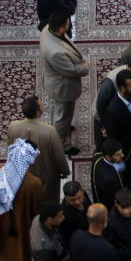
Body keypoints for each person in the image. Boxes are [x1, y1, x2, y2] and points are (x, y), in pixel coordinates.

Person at [40, 9, 88, 156]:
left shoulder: (48, 29)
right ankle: (63, 145)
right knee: (62, 117)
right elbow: (71, 70)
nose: (69, 25)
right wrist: (84, 67)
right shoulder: (55, 52)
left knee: (58, 111)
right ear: (61, 27)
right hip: (62, 87)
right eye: (68, 23)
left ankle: (58, 130)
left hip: (55, 83)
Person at [8, 95, 70, 202]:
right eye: (41, 106)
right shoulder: (49, 131)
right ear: (37, 113)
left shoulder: (13, 126)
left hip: (23, 174)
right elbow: (58, 155)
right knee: (47, 200)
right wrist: (65, 171)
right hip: (46, 175)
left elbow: (10, 146)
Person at [102, 70, 131, 194]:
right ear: (122, 88)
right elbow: (112, 138)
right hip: (126, 151)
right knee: (129, 175)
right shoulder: (112, 111)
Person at [91, 139, 127, 214]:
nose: (122, 155)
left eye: (121, 152)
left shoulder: (98, 157)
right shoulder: (110, 180)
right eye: (118, 154)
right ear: (108, 157)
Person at [61, 180, 91, 248]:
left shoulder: (84, 195)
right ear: (66, 197)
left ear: (82, 192)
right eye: (73, 200)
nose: (77, 202)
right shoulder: (64, 214)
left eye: (79, 198)